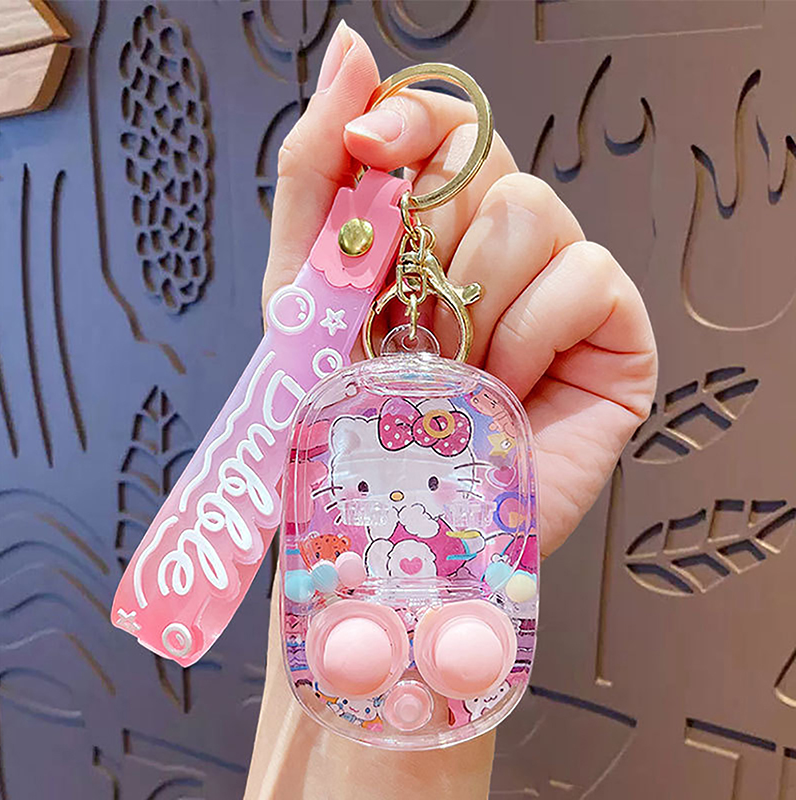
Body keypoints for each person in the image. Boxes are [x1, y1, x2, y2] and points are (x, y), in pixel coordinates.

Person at [244, 21, 657, 800]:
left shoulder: (466, 464)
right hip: (358, 612)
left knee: (448, 639)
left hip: (443, 611)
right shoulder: (341, 431)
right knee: (375, 640)